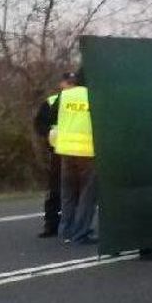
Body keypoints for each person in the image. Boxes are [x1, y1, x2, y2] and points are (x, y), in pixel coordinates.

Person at [50, 69, 98, 245]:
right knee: (87, 195)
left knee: (68, 193)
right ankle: (81, 233)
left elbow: (51, 116)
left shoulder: (65, 95)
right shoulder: (96, 96)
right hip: (88, 152)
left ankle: (66, 230)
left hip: (65, 150)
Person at [33, 85, 62, 238]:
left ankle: (55, 225)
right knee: (57, 190)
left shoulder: (53, 100)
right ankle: (54, 224)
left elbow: (39, 125)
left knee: (58, 190)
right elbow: (39, 124)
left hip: (62, 150)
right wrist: (50, 134)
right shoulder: (52, 101)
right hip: (63, 151)